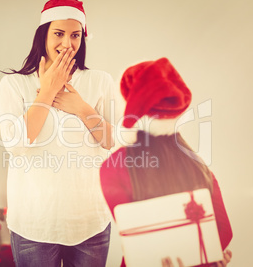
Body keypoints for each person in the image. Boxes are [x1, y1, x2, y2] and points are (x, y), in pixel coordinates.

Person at [0, 0, 115, 266]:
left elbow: (112, 142)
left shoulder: (100, 81)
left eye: (75, 35)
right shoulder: (14, 85)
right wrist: (48, 91)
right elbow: (15, 143)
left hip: (89, 222)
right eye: (58, 34)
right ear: (44, 35)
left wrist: (83, 109)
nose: (67, 44)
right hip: (33, 225)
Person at [99, 58, 233, 267]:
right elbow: (224, 231)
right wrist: (206, 254)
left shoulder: (113, 167)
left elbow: (134, 236)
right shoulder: (196, 163)